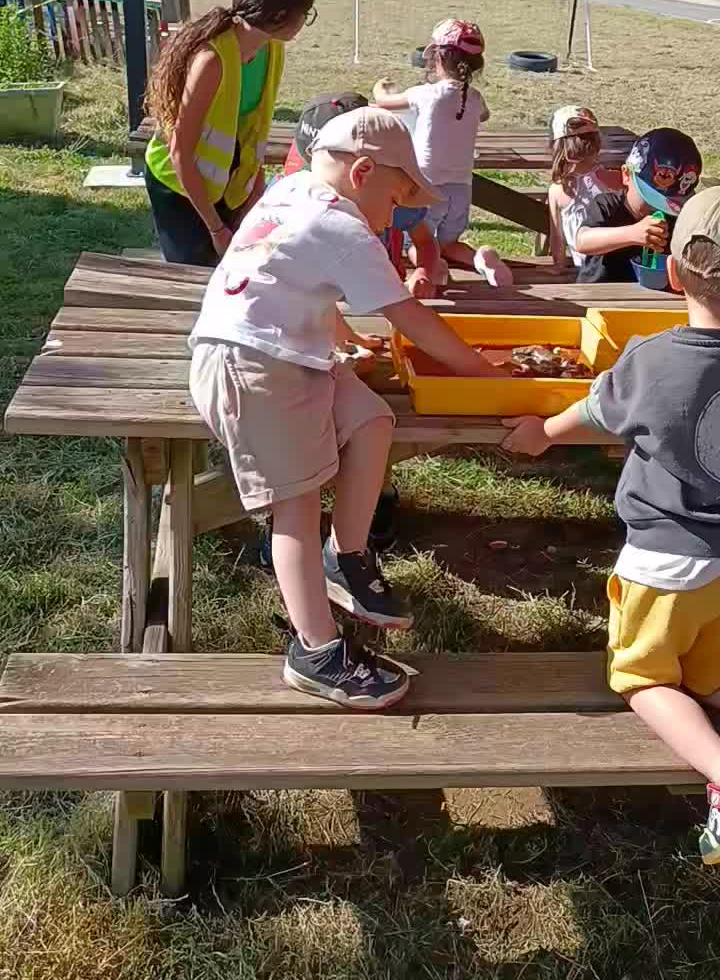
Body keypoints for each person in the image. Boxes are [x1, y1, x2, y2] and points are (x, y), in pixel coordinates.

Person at [189, 107, 496, 709]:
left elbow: (287, 279)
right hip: (252, 370)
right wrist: (484, 372)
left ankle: (346, 555)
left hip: (282, 354)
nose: (399, 213)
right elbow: (410, 317)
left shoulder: (290, 192)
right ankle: (316, 651)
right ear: (361, 173)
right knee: (294, 511)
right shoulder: (344, 227)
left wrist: (338, 342)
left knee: (372, 419)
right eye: (398, 197)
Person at [502, 186, 720, 864]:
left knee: (644, 680)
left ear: (674, 273)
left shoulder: (652, 361)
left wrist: (540, 433)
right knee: (705, 675)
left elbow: (590, 416)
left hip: (665, 565)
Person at [144, 0, 319, 266]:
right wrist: (217, 229)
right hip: (179, 188)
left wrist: (253, 196)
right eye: (305, 13)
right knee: (192, 278)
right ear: (279, 15)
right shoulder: (211, 62)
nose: (305, 21)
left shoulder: (271, 50)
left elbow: (251, 131)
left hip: (227, 186)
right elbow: (180, 153)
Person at [372, 18, 513, 286]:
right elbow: (484, 115)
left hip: (426, 185)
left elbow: (383, 102)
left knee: (416, 242)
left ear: (437, 58)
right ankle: (480, 261)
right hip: (461, 187)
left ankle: (433, 266)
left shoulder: (426, 94)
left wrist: (380, 86)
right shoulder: (474, 98)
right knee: (449, 242)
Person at [285, 91, 446, 300]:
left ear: (362, 173)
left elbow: (424, 241)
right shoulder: (296, 206)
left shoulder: (386, 193)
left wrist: (423, 272)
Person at [574, 127, 702, 283]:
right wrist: (632, 234)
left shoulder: (674, 219)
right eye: (651, 200)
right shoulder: (607, 205)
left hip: (651, 299)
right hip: (599, 296)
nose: (660, 209)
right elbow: (582, 241)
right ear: (627, 175)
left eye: (670, 204)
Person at [546, 105, 623, 271]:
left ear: (557, 146)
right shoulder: (614, 179)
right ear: (597, 142)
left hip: (583, 268)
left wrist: (558, 265)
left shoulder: (558, 190)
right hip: (619, 265)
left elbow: (556, 237)